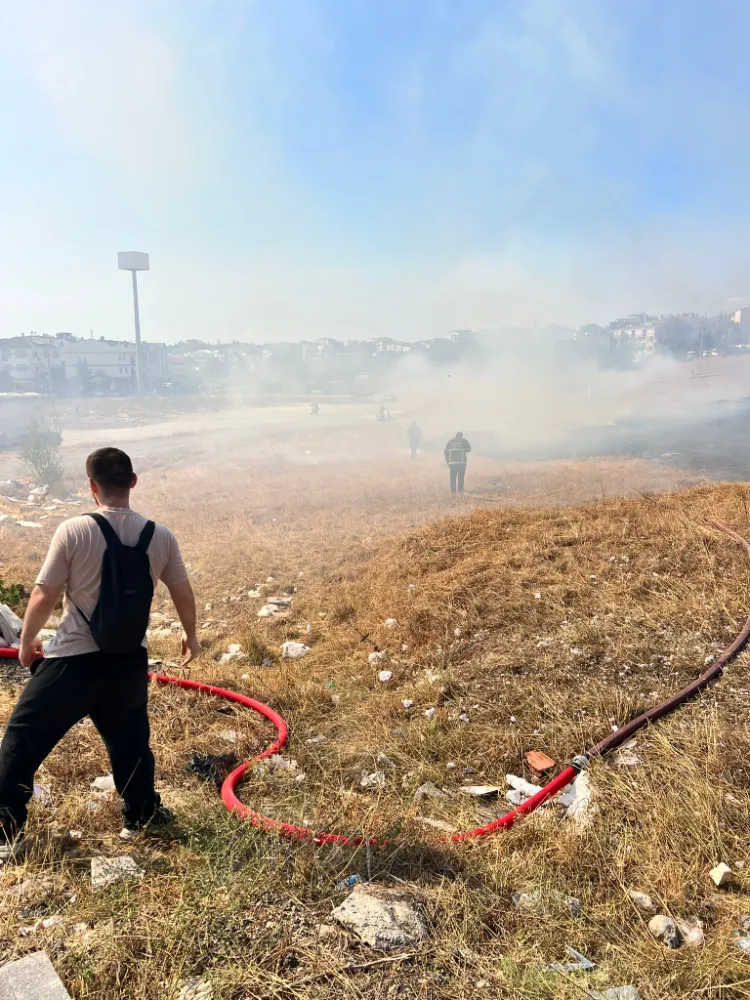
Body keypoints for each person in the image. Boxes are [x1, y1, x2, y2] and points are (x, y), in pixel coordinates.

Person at [0, 447, 200, 859]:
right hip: (127, 663)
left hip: (72, 661)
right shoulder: (159, 536)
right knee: (130, 744)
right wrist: (191, 637)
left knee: (22, 740)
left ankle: (5, 826)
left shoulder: (74, 530)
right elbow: (182, 590)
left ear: (91, 486)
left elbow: (45, 593)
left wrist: (26, 643)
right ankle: (143, 813)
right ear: (132, 481)